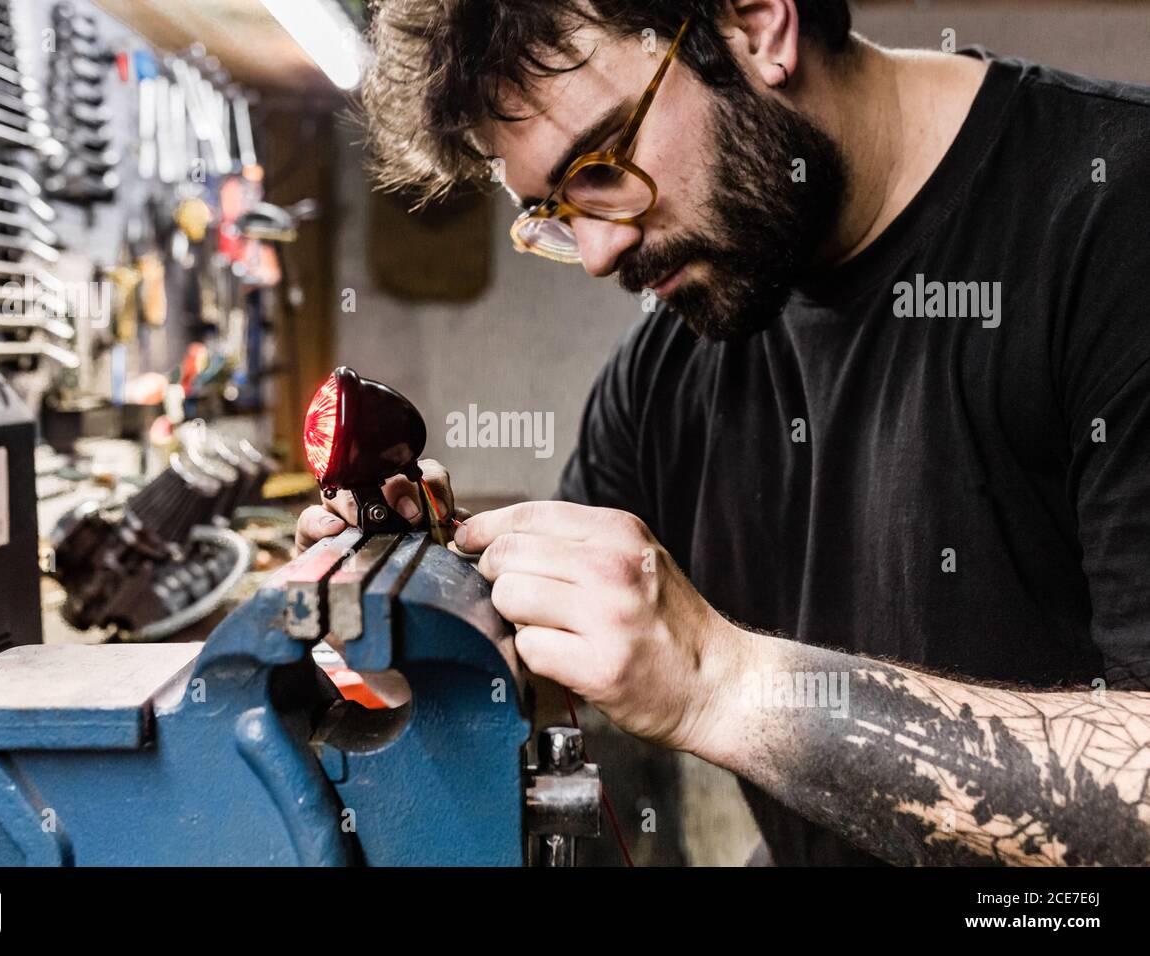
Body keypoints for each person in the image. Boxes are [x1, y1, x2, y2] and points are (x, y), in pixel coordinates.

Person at [297, 0, 1150, 865]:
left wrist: (722, 683)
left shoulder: (1116, 217)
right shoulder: (673, 364)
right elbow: (545, 668)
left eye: (601, 163)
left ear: (758, 25)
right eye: (553, 208)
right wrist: (412, 606)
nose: (595, 253)